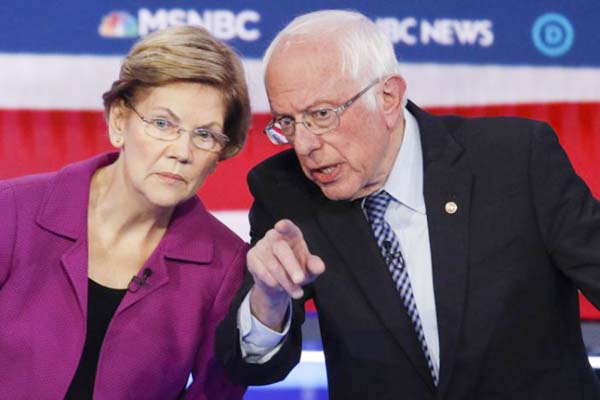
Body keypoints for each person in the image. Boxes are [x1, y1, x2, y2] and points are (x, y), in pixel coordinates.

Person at [215, 9, 600, 400]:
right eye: (287, 122)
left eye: (321, 114)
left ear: (387, 97)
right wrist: (269, 299)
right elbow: (252, 367)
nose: (304, 145)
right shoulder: (285, 191)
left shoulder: (515, 159)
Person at [0, 25, 251, 399]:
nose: (182, 151)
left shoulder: (226, 265)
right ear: (119, 121)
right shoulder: (12, 211)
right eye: (164, 123)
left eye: (205, 135)